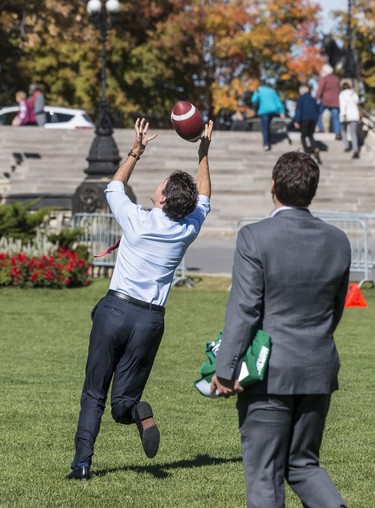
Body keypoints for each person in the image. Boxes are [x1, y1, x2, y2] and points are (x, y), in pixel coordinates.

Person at [66, 117, 213, 480]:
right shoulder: (188, 227)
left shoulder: (136, 218)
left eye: (161, 184)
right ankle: (139, 413)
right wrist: (204, 152)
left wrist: (137, 150)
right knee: (122, 404)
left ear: (162, 198)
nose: (157, 184)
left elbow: (115, 184)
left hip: (115, 310)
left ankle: (82, 465)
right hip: (150, 321)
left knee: (94, 394)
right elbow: (205, 197)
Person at [211, 151, 350, 508]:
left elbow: (244, 309)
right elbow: (334, 310)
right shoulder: (338, 240)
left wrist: (225, 369)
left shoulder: (254, 237)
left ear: (272, 186)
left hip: (271, 375)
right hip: (318, 366)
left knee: (264, 475)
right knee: (304, 466)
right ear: (312, 191)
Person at [251, 82, 285, 151]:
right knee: (268, 125)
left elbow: (253, 100)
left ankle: (266, 144)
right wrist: (282, 112)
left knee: (265, 127)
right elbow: (278, 102)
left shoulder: (259, 90)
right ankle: (269, 140)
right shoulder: (272, 91)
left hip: (264, 111)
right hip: (272, 110)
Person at [294, 84, 321, 163]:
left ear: (301, 91)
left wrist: (296, 121)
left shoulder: (300, 99)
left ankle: (306, 152)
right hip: (313, 119)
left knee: (303, 136)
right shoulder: (313, 99)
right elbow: (317, 109)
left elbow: (298, 111)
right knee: (310, 135)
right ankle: (315, 147)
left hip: (305, 119)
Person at [315, 64, 342, 139]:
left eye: (323, 71)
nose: (321, 72)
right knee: (336, 117)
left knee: (317, 113)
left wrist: (315, 99)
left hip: (325, 101)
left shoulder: (324, 78)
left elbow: (320, 90)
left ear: (326, 71)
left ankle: (320, 128)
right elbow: (339, 90)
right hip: (335, 102)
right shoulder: (336, 79)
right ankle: (338, 133)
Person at [339, 82, 360, 159]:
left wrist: (343, 114)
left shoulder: (342, 94)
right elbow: (357, 101)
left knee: (343, 130)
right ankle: (356, 150)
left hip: (346, 115)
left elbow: (342, 105)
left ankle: (347, 146)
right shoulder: (353, 93)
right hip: (354, 115)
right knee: (353, 133)